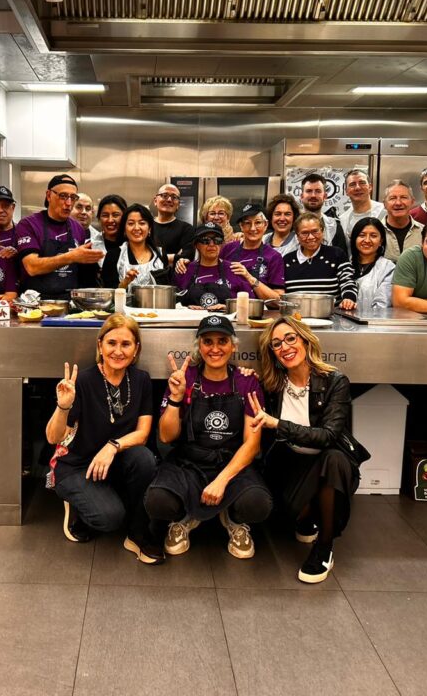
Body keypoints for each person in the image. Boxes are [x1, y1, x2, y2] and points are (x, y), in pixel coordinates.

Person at [250, 316, 368, 583]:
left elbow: (328, 436)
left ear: (304, 340)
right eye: (276, 344)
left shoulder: (335, 381)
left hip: (329, 463)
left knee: (334, 459)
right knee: (286, 515)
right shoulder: (274, 384)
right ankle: (307, 515)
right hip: (293, 463)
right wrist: (245, 373)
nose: (285, 347)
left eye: (290, 338)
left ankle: (324, 548)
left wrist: (279, 424)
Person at [145, 315, 273, 559]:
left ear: (233, 346)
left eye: (222, 341)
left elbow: (252, 444)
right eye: (208, 341)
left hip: (232, 465)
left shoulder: (247, 382)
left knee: (258, 505)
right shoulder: (186, 379)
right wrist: (176, 398)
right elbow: (166, 436)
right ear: (199, 346)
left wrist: (222, 480)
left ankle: (234, 519)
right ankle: (183, 517)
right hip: (188, 463)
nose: (215, 348)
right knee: (157, 501)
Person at [45, 315, 163, 564]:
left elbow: (142, 434)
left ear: (136, 349)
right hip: (77, 466)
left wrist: (113, 446)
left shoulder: (140, 380)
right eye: (111, 343)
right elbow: (53, 437)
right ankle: (78, 505)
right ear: (100, 346)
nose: (118, 351)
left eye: (126, 344)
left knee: (145, 458)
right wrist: (63, 407)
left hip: (113, 461)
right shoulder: (85, 381)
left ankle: (137, 534)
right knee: (109, 519)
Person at [15, 174, 103, 300]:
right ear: (48, 195)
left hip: (69, 303)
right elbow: (32, 267)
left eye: (73, 198)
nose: (68, 203)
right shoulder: (29, 225)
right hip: (35, 304)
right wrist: (71, 257)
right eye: (63, 196)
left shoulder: (78, 228)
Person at [283, 213, 357, 310]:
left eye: (315, 231)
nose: (310, 237)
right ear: (297, 236)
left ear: (322, 231)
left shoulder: (336, 254)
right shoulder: (287, 260)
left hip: (331, 315)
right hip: (295, 317)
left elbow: (348, 281)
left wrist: (348, 298)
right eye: (305, 233)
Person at [175, 223, 255, 310]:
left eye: (217, 240)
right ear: (196, 245)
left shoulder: (234, 269)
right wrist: (187, 308)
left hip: (228, 323)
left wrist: (228, 307)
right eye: (205, 240)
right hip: (192, 322)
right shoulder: (184, 269)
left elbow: (251, 304)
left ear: (222, 244)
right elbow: (173, 305)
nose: (212, 244)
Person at [221, 203, 284, 302]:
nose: (253, 228)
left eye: (258, 222)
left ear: (265, 225)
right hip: (227, 311)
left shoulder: (274, 257)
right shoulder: (227, 249)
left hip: (259, 313)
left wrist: (249, 277)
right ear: (241, 226)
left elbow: (278, 301)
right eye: (247, 223)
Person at [100, 203, 166, 291]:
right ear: (124, 229)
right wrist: (125, 282)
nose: (136, 228)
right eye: (131, 223)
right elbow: (108, 293)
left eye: (142, 223)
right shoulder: (113, 256)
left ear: (149, 228)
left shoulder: (160, 255)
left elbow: (168, 289)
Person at [349, 217, 395, 310]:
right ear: (354, 239)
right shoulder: (344, 264)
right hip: (342, 322)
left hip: (374, 322)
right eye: (362, 235)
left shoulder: (388, 268)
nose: (367, 240)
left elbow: (382, 306)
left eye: (373, 236)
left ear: (381, 241)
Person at [298, 174, 348, 257]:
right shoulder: (292, 225)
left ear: (325, 196)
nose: (313, 195)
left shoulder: (335, 226)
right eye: (309, 191)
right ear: (302, 196)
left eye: (318, 191)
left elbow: (342, 258)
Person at [381, 181, 423, 263]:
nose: (398, 203)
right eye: (392, 198)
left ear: (412, 202)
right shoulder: (374, 233)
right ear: (384, 204)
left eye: (404, 197)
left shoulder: (424, 232)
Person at [151, 183, 194, 263]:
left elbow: (187, 257)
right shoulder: (146, 226)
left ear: (178, 205)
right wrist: (174, 257)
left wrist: (153, 258)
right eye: (164, 195)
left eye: (174, 197)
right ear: (155, 201)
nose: (169, 200)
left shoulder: (186, 229)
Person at [338, 169, 385, 237]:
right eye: (352, 184)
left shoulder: (385, 211)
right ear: (346, 191)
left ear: (370, 187)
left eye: (362, 183)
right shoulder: (343, 220)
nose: (357, 188)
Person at [265, 193, 300, 258]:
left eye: (287, 214)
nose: (282, 219)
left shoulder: (300, 242)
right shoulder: (262, 240)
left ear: (294, 217)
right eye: (278, 214)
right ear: (271, 217)